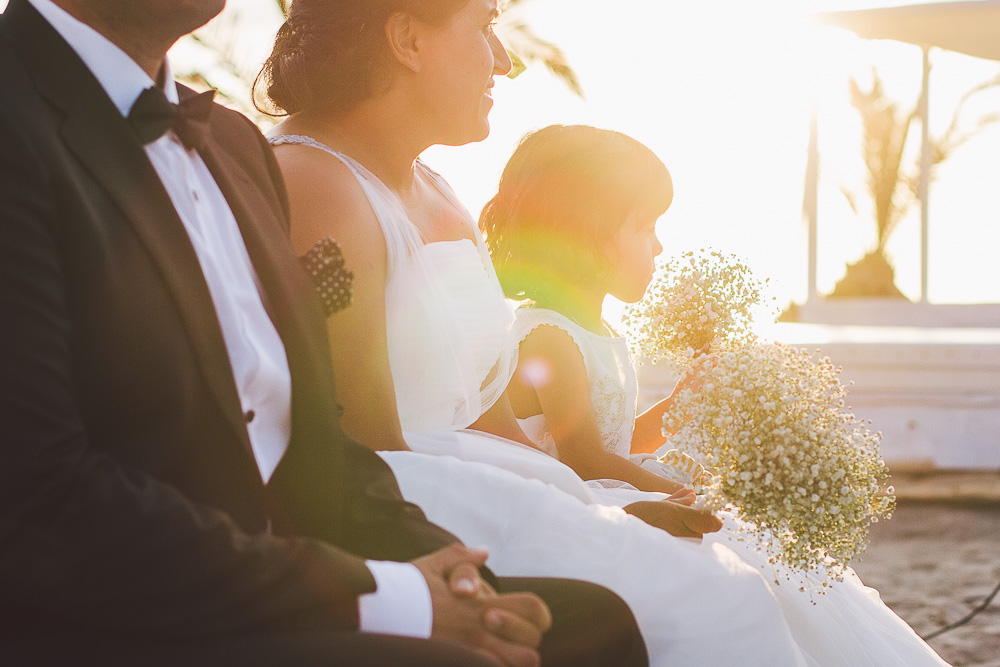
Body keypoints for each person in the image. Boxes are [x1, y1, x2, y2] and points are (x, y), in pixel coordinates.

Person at [0, 0, 652, 664]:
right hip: (122, 612)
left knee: (598, 624)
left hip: (291, 567)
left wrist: (451, 575)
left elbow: (315, 435)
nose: (501, 58)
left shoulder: (231, 145)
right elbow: (36, 501)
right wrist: (381, 592)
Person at [262, 1, 812, 665]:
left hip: (481, 475)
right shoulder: (318, 187)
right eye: (485, 26)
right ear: (408, 38)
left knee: (735, 562)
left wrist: (606, 505)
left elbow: (496, 421)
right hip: (401, 495)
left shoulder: (439, 194)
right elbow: (368, 446)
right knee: (713, 600)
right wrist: (595, 519)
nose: (506, 60)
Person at [482, 123, 952, 666]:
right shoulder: (549, 338)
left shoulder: (603, 334)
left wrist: (677, 406)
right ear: (586, 232)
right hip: (578, 499)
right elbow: (584, 459)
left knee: (778, 563)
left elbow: (615, 439)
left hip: (606, 482)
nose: (659, 245)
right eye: (645, 228)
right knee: (745, 556)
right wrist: (685, 492)